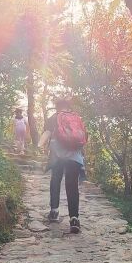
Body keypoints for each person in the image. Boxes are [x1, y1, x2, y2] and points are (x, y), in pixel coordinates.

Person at [38, 97, 87, 233]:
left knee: (55, 180)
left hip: (57, 156)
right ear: (68, 106)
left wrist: (39, 146)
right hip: (75, 157)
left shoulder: (54, 117)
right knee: (72, 186)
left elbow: (46, 134)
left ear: (56, 106)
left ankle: (54, 211)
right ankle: (74, 219)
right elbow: (84, 138)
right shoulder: (77, 118)